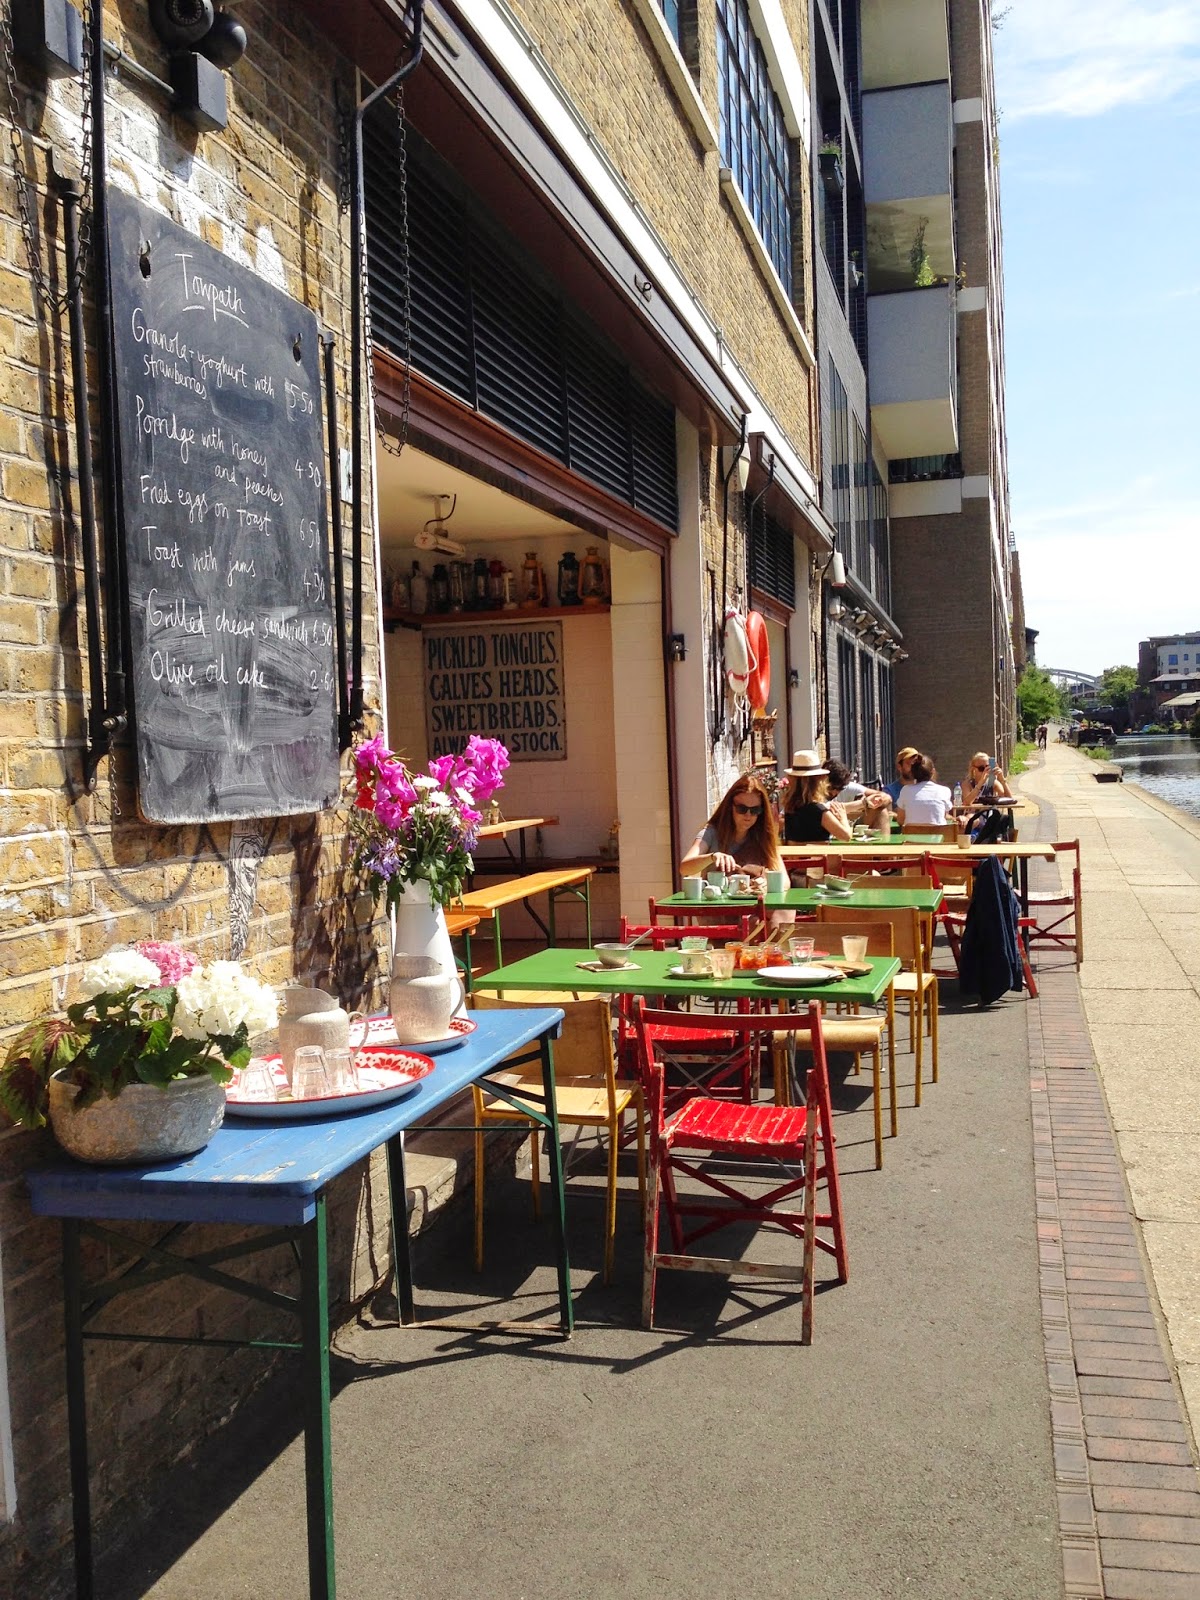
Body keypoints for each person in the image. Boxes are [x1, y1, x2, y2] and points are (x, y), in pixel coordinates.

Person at [680, 772, 783, 878]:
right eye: (742, 809)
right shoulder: (711, 833)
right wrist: (712, 857)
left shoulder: (762, 836)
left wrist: (766, 884)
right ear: (730, 807)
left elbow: (785, 881)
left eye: (755, 810)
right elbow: (685, 868)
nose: (748, 815)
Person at [780, 750, 854, 843]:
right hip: (818, 857)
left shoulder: (789, 808)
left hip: (794, 857)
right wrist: (843, 817)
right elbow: (845, 836)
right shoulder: (819, 811)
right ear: (819, 781)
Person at [895, 752, 953, 826]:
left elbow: (900, 820)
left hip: (911, 837)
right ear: (933, 772)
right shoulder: (944, 791)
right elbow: (943, 815)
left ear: (912, 773)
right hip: (938, 836)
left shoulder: (905, 791)